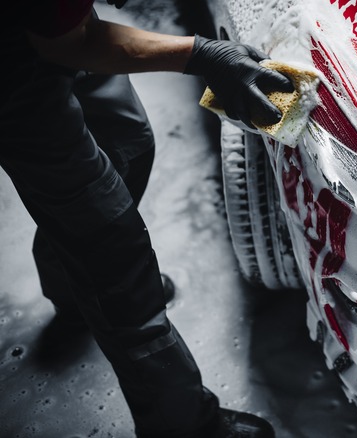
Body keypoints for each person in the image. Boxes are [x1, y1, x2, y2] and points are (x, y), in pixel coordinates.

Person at [0, 1, 293, 437]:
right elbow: (73, 45)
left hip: (51, 25)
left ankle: (74, 291)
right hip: (12, 73)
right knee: (110, 251)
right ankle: (184, 425)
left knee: (126, 138)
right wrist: (200, 55)